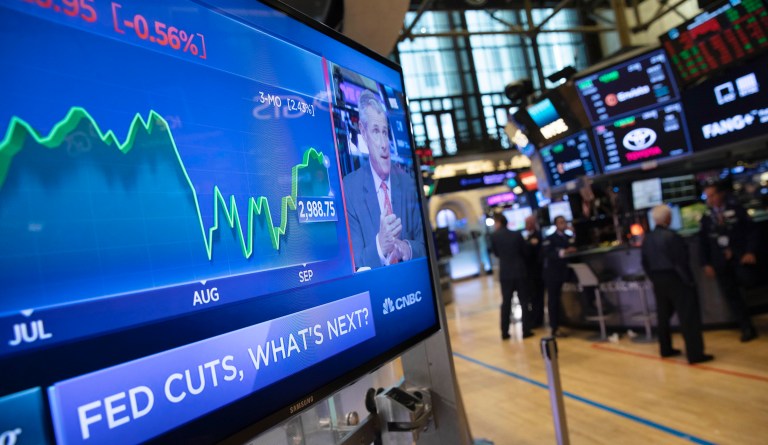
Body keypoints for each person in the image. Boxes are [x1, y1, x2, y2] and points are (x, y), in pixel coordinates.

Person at [343, 90, 425, 269]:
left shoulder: (408, 183)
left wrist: (407, 248)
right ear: (363, 133)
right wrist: (380, 246)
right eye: (375, 131)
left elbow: (425, 245)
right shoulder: (349, 189)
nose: (383, 144)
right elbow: (353, 262)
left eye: (385, 132)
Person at [642, 205, 713, 364]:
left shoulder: (647, 238)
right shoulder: (673, 237)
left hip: (658, 280)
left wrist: (654, 278)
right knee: (688, 317)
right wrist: (689, 281)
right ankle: (695, 354)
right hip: (676, 278)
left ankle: (665, 349)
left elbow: (645, 263)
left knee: (663, 316)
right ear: (668, 218)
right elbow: (680, 262)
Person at [699, 182, 759, 342]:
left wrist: (749, 251)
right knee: (732, 296)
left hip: (740, 258)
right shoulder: (707, 218)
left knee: (751, 284)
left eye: (712, 195)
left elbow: (752, 232)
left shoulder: (737, 210)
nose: (710, 199)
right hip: (720, 263)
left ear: (721, 194)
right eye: (707, 197)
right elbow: (703, 243)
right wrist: (706, 263)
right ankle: (746, 327)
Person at [490, 213, 534, 340]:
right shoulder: (516, 235)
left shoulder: (494, 237)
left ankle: (504, 332)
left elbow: (496, 253)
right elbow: (525, 252)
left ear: (498, 222)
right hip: (520, 271)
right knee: (524, 301)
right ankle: (526, 330)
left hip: (506, 274)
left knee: (506, 303)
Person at [542, 215, 576, 337]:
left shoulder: (568, 237)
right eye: (560, 222)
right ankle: (554, 328)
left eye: (564, 222)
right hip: (553, 273)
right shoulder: (550, 238)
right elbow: (549, 254)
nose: (562, 224)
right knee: (553, 301)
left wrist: (573, 234)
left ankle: (564, 322)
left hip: (565, 272)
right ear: (555, 224)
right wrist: (565, 251)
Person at [524, 215, 545, 328]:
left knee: (537, 297)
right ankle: (536, 318)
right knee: (533, 297)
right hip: (532, 273)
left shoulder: (537, 236)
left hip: (536, 272)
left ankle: (537, 320)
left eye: (527, 223)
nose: (526, 226)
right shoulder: (529, 237)